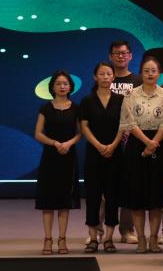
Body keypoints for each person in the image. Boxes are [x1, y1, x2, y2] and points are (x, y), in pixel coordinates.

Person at [119, 56, 163, 254]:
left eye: (154, 71)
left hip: (159, 144)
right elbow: (129, 122)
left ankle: (153, 238)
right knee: (137, 194)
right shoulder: (130, 94)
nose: (150, 74)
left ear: (159, 74)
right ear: (141, 73)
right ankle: (141, 239)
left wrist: (154, 143)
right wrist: (147, 143)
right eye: (146, 71)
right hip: (136, 145)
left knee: (156, 195)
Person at [34, 70, 81, 255]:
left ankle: (62, 239)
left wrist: (68, 143)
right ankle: (47, 239)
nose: (62, 86)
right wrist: (55, 143)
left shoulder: (76, 108)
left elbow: (80, 133)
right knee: (48, 201)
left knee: (64, 201)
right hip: (50, 157)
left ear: (70, 87)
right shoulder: (45, 108)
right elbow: (38, 133)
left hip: (68, 157)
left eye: (65, 84)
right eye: (59, 84)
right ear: (52, 87)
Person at [79, 61, 125, 253]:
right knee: (93, 195)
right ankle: (92, 238)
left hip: (115, 153)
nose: (105, 77)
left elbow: (124, 126)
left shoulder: (121, 99)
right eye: (101, 74)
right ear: (95, 77)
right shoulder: (87, 101)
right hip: (94, 154)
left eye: (108, 74)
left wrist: (113, 145)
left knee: (112, 195)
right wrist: (98, 145)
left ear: (113, 77)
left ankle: (108, 238)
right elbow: (84, 126)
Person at [108, 39, 141, 244]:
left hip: (131, 141)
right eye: (116, 53)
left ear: (130, 56)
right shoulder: (105, 78)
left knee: (129, 185)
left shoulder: (138, 80)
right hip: (108, 141)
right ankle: (100, 230)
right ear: (110, 57)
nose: (121, 56)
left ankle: (127, 230)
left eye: (124, 53)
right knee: (106, 187)